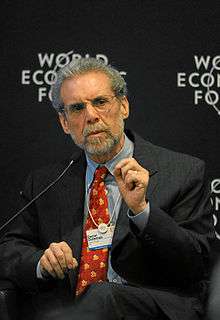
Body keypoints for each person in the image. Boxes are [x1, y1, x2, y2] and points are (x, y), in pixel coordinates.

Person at [0, 58, 214, 320]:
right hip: (70, 308)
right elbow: (10, 247)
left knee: (102, 294)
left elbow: (199, 262)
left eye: (100, 102)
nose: (90, 116)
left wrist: (142, 211)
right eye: (77, 108)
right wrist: (40, 262)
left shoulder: (182, 172)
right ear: (65, 123)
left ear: (123, 106)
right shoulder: (46, 182)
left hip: (151, 307)